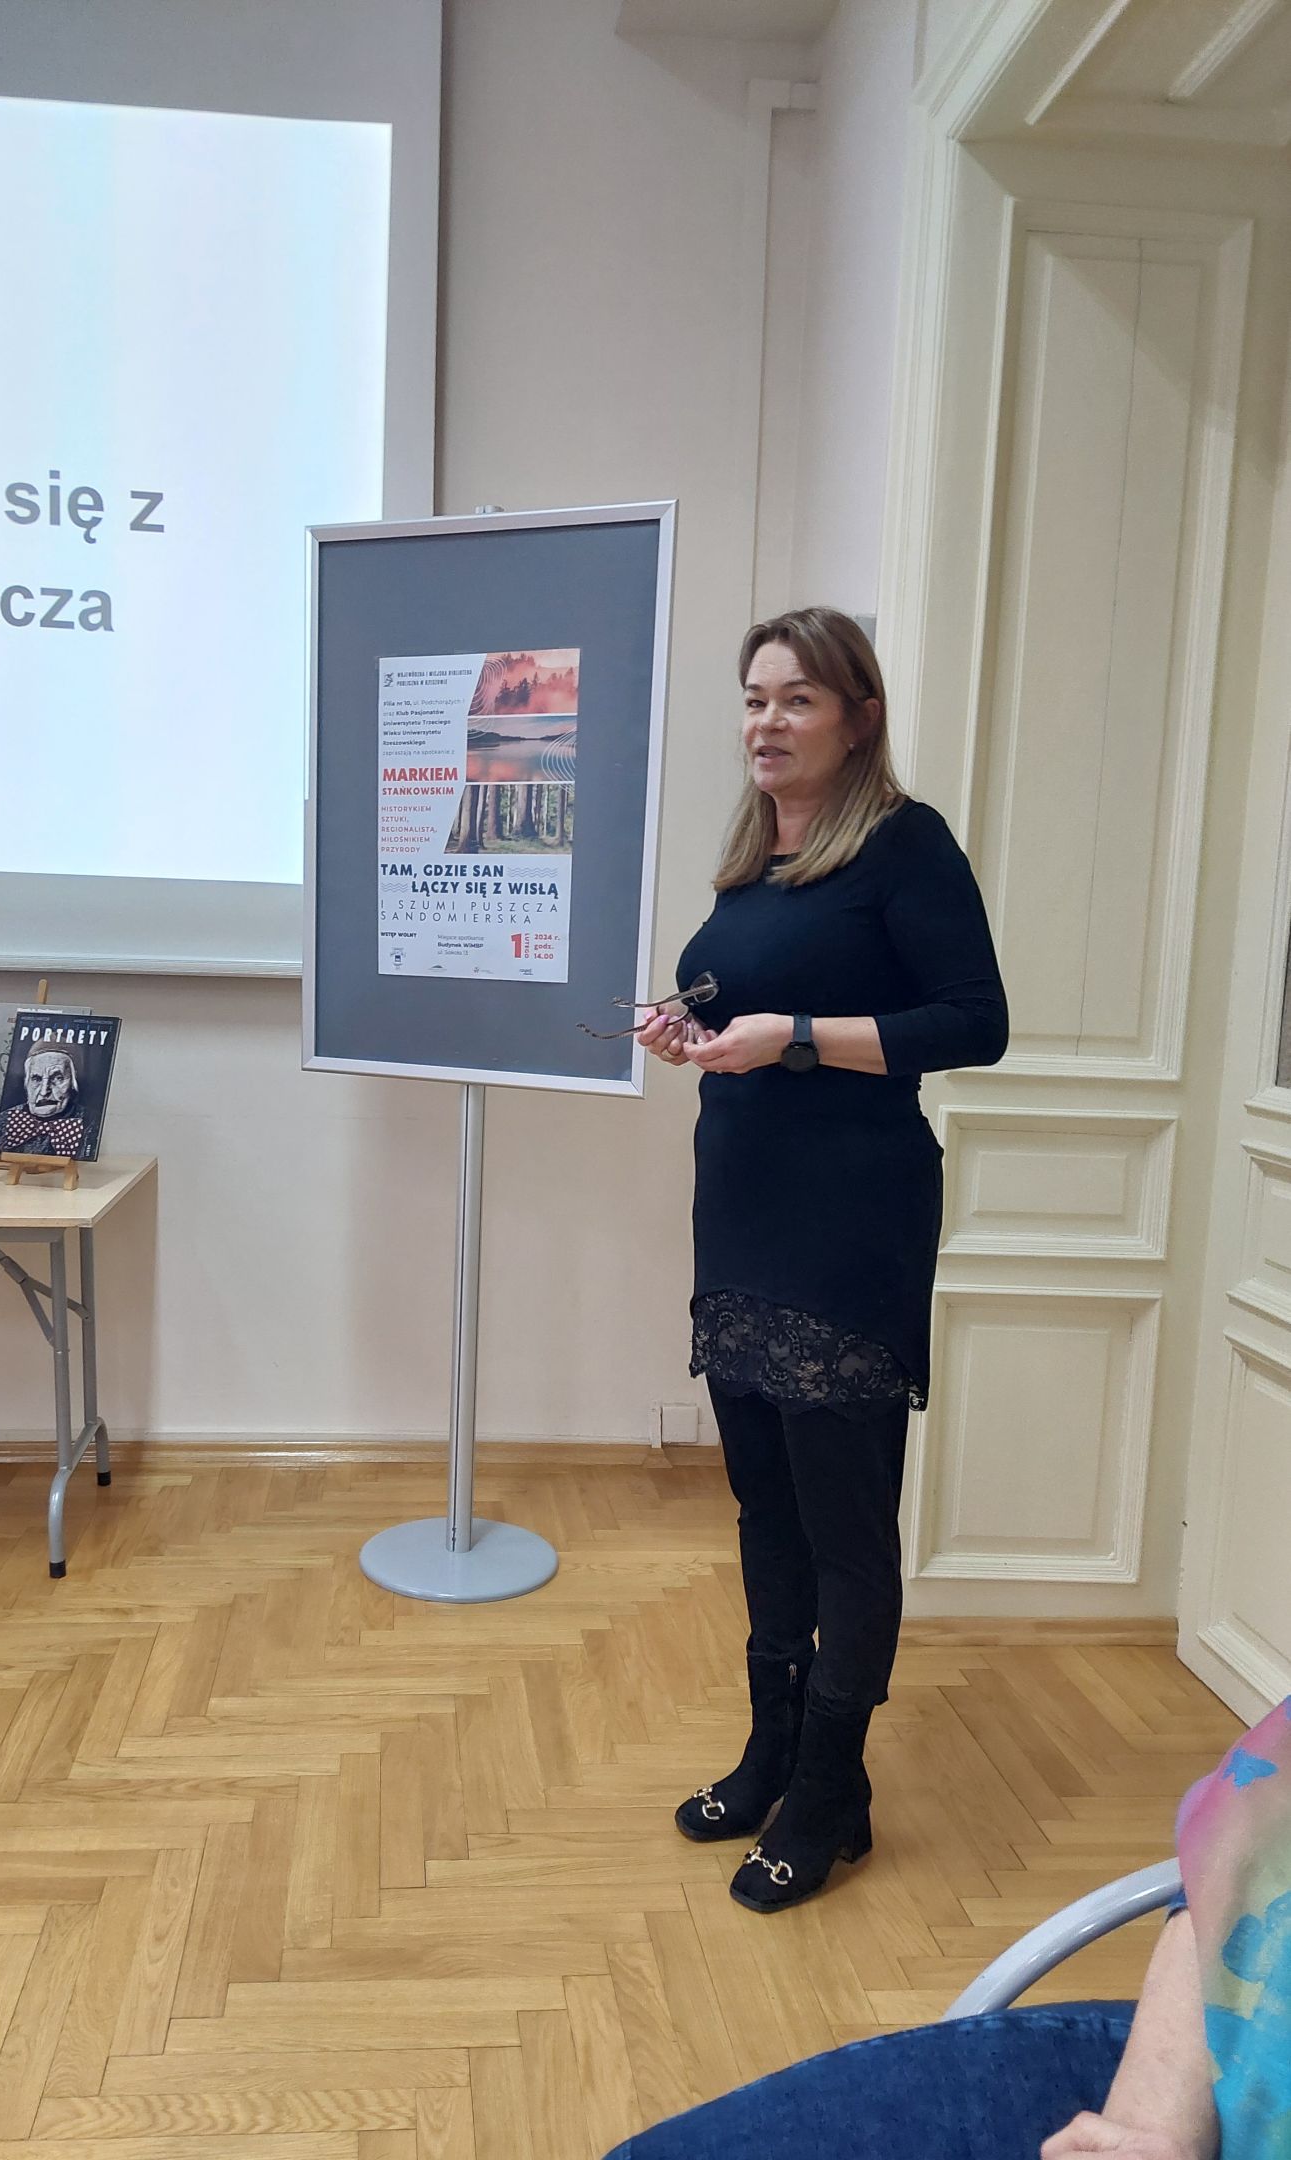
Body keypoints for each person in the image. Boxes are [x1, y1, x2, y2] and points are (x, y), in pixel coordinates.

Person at [638, 608, 1007, 1912]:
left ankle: (831, 1788)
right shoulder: (756, 863)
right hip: (741, 1215)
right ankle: (773, 1751)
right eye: (754, 699)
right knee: (766, 1507)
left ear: (859, 718)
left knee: (846, 1525)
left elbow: (974, 1023)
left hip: (850, 1223)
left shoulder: (906, 844)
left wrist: (793, 1035)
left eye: (797, 699)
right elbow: (739, 1002)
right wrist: (687, 1023)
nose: (767, 722)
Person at [602, 1692, 1291, 2159]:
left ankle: (827, 1786)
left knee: (845, 1546)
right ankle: (794, 1764)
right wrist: (1149, 2119)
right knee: (784, 1530)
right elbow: (1266, 1814)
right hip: (1239, 2050)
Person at [0, 1044, 84, 1158]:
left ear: (73, 1082)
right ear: (26, 1083)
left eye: (58, 1078)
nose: (44, 1091)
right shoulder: (5, 1119)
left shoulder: (91, 1123)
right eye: (36, 1079)